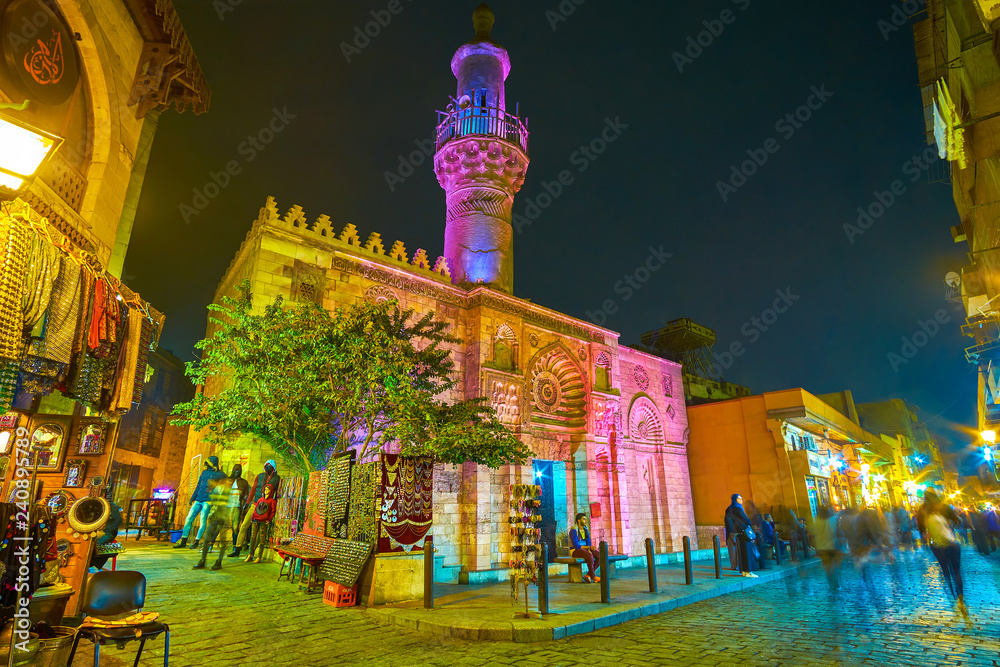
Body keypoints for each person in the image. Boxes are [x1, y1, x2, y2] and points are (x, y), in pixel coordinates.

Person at [917, 490, 968, 619]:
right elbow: (958, 521)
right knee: (956, 571)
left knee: (945, 571)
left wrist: (926, 532)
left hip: (937, 545)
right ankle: (960, 596)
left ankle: (952, 595)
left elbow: (921, 530)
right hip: (951, 543)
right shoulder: (944, 506)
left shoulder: (922, 509)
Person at [229, 460, 281, 558]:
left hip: (266, 507)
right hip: (255, 504)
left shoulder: (276, 478)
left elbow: (277, 493)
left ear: (273, 467)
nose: (267, 467)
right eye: (266, 465)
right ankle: (237, 548)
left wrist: (274, 507)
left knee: (259, 530)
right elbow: (253, 489)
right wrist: (248, 502)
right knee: (244, 525)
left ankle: (251, 552)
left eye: (269, 466)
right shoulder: (260, 476)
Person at [174, 455, 226, 549]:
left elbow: (226, 478)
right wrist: (193, 498)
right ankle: (184, 540)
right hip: (198, 499)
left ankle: (197, 541)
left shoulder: (219, 474)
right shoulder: (204, 472)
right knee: (189, 519)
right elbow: (199, 485)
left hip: (208, 501)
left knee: (203, 521)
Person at [193, 476, 234, 571]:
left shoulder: (232, 493)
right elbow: (213, 501)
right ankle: (202, 560)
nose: (229, 483)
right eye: (228, 481)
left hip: (224, 518)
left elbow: (233, 507)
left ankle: (219, 562)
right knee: (207, 539)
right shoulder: (219, 489)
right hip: (215, 516)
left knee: (223, 542)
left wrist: (230, 519)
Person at [724, 494, 758, 578]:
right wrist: (749, 522)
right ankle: (748, 571)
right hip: (744, 532)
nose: (741, 500)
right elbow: (745, 520)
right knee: (747, 552)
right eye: (739, 498)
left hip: (738, 532)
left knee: (742, 552)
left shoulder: (730, 509)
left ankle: (744, 571)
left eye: (741, 498)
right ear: (735, 499)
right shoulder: (737, 508)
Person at [813, 506, 842, 591]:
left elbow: (815, 532)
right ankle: (836, 581)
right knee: (835, 564)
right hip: (833, 545)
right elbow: (836, 529)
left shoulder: (817, 520)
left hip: (823, 547)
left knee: (827, 567)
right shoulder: (832, 518)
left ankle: (831, 583)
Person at [245, 485, 277, 564]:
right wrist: (252, 518)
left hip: (264, 521)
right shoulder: (260, 499)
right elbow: (256, 509)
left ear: (271, 491)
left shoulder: (272, 501)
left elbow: (273, 511)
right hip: (256, 519)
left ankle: (259, 556)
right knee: (253, 537)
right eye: (265, 489)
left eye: (268, 490)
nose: (266, 491)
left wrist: (269, 519)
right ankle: (250, 554)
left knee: (262, 539)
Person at [569, 513, 600, 583]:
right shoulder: (573, 530)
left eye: (586, 519)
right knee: (589, 555)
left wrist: (589, 549)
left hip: (585, 549)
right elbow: (576, 546)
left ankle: (588, 575)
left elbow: (588, 542)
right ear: (578, 520)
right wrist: (588, 547)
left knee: (600, 556)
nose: (586, 521)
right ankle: (593, 576)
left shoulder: (585, 529)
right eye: (584, 519)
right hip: (575, 550)